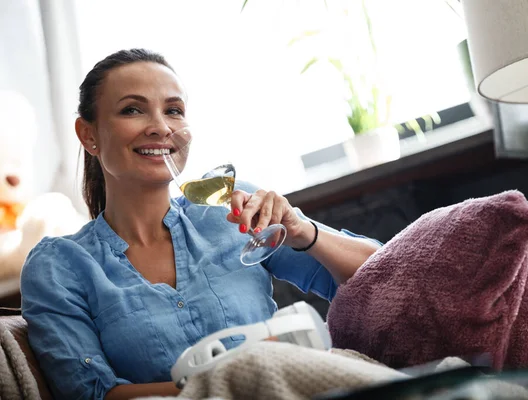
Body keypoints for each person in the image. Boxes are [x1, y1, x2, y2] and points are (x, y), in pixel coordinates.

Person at [20, 48, 381, 400]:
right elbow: (91, 393)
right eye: (132, 110)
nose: (161, 128)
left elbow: (382, 279)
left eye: (173, 111)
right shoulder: (60, 267)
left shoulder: (229, 213)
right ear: (89, 135)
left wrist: (303, 232)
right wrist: (238, 374)